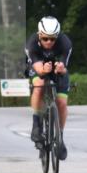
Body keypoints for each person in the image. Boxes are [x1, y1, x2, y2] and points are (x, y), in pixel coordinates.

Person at [25, 16, 72, 160]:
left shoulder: (65, 43)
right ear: (39, 35)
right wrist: (44, 70)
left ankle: (60, 137)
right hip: (38, 67)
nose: (49, 42)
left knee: (62, 103)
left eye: (52, 39)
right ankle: (36, 124)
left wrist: (61, 68)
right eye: (45, 38)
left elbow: (64, 67)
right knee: (39, 85)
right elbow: (39, 70)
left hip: (57, 69)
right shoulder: (32, 44)